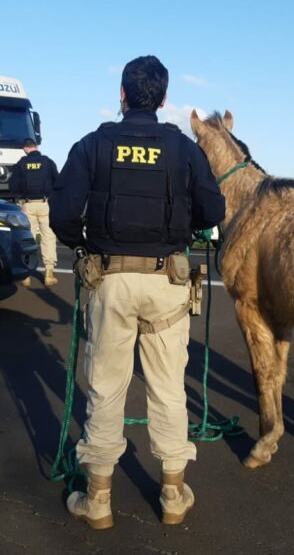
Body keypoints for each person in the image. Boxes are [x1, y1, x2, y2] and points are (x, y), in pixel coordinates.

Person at [49, 55, 225, 529]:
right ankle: (172, 494)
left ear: (122, 95)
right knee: (169, 390)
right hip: (167, 281)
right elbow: (213, 210)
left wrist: (84, 247)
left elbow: (62, 214)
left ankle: (98, 499)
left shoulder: (92, 145)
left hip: (109, 282)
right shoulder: (184, 150)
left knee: (106, 388)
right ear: (164, 98)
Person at [10, 138, 59, 287]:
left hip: (28, 205)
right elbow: (57, 182)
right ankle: (49, 274)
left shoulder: (21, 164)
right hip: (45, 204)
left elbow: (13, 186)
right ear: (36, 147)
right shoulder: (48, 162)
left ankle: (26, 276)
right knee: (48, 238)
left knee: (28, 240)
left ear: (25, 149)